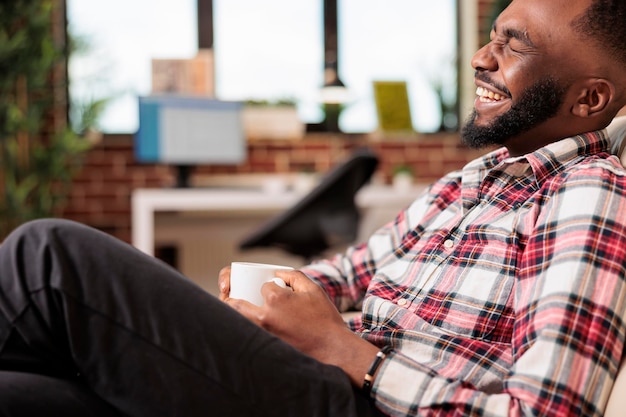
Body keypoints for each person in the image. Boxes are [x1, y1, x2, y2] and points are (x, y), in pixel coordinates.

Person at [2, 0, 626, 415]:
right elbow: (351, 270)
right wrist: (264, 300)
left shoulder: (589, 192)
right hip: (317, 371)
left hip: (357, 400)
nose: (480, 58)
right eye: (491, 36)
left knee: (49, 255)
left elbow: (549, 410)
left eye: (512, 47)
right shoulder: (472, 182)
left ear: (590, 97)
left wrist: (342, 349)